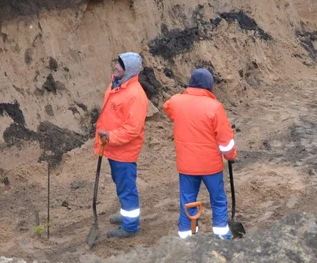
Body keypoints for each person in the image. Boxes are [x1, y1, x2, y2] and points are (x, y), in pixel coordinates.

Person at [162, 68, 238, 239]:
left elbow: (168, 107)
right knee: (218, 200)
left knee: (188, 202)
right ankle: (221, 235)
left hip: (187, 165)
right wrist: (231, 156)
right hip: (210, 166)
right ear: (209, 87)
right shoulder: (215, 107)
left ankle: (188, 235)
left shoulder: (176, 101)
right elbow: (225, 140)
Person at [95, 52, 148, 239]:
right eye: (117, 62)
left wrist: (110, 136)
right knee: (121, 184)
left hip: (123, 150)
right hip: (113, 147)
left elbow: (132, 129)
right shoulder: (116, 86)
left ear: (130, 71)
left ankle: (130, 226)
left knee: (126, 187)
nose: (116, 66)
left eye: (121, 65)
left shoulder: (135, 95)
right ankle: (127, 213)